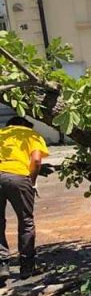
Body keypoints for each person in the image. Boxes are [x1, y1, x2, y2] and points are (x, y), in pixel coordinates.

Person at [0, 117, 48, 286]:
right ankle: (27, 266)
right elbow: (35, 160)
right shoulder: (32, 135)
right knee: (26, 220)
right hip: (19, 177)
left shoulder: (1, 134)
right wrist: (32, 181)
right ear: (26, 126)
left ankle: (2, 265)